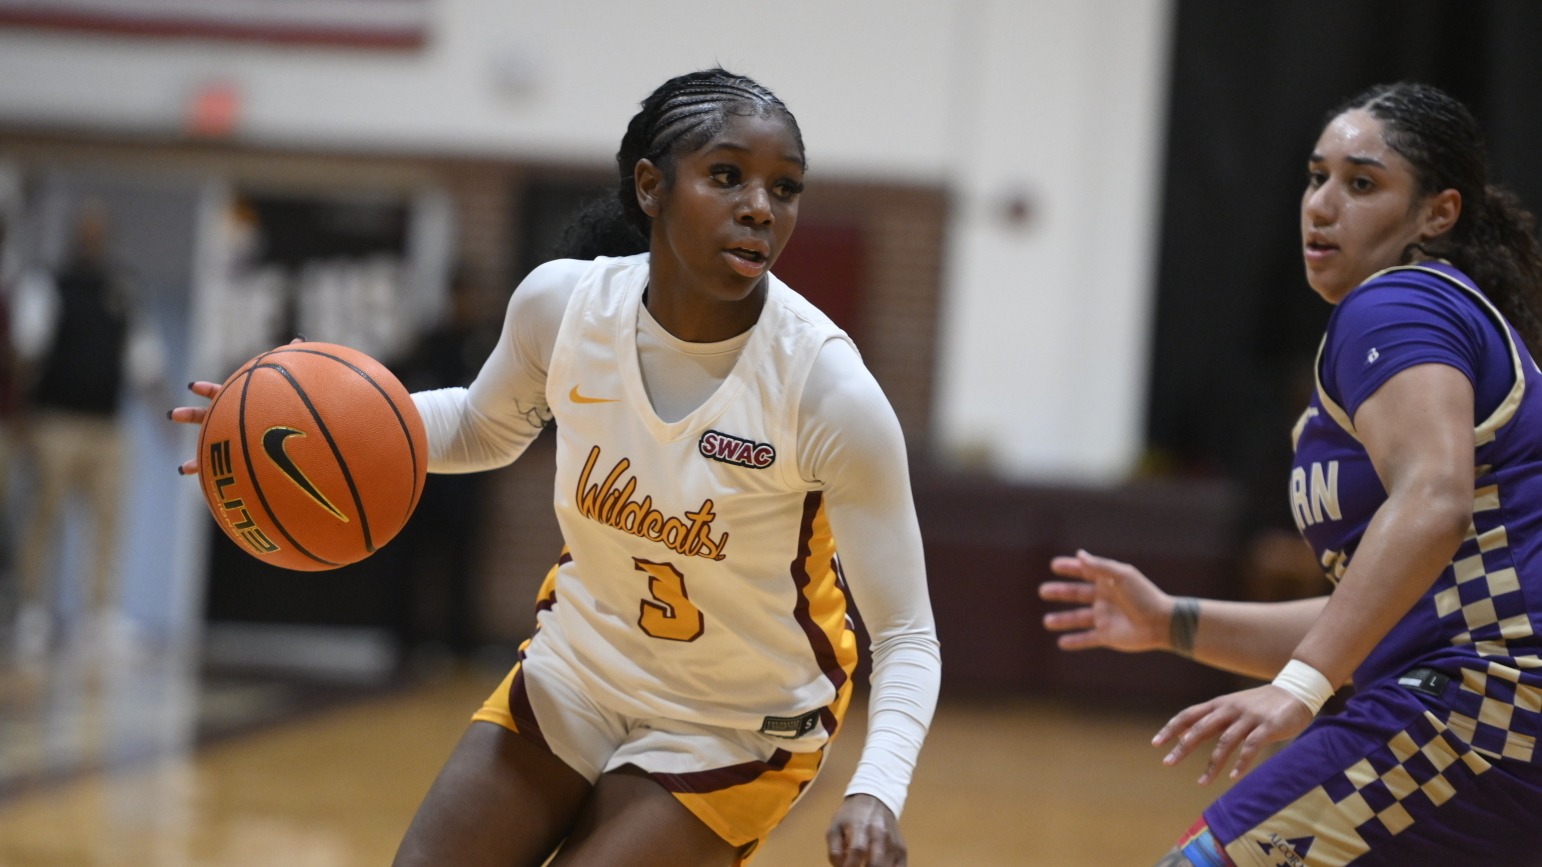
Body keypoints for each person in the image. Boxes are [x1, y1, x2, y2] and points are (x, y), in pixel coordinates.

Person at [174, 68, 940, 866]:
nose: (760, 206)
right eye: (725, 175)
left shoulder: (827, 390)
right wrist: (308, 422)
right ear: (651, 187)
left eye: (785, 188)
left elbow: (906, 633)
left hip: (734, 723)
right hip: (579, 668)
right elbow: (481, 424)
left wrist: (874, 788)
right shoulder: (564, 307)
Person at [1041, 81, 1542, 866]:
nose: (1322, 203)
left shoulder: (1397, 305)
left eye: (1363, 183)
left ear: (1437, 214)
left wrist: (1300, 689)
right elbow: (1378, 616)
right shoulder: (1428, 319)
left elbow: (1434, 498)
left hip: (1481, 702)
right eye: (1317, 177)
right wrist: (1171, 620)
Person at [10, 199, 166, 660]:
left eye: (100, 230)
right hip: (55, 420)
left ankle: (98, 618)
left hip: (107, 425)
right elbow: (27, 352)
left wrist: (164, 419)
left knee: (109, 524)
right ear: (77, 236)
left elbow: (144, 359)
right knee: (41, 519)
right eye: (86, 230)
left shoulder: (123, 288)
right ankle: (31, 615)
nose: (92, 237)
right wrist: (21, 417)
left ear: (108, 236)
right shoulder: (49, 285)